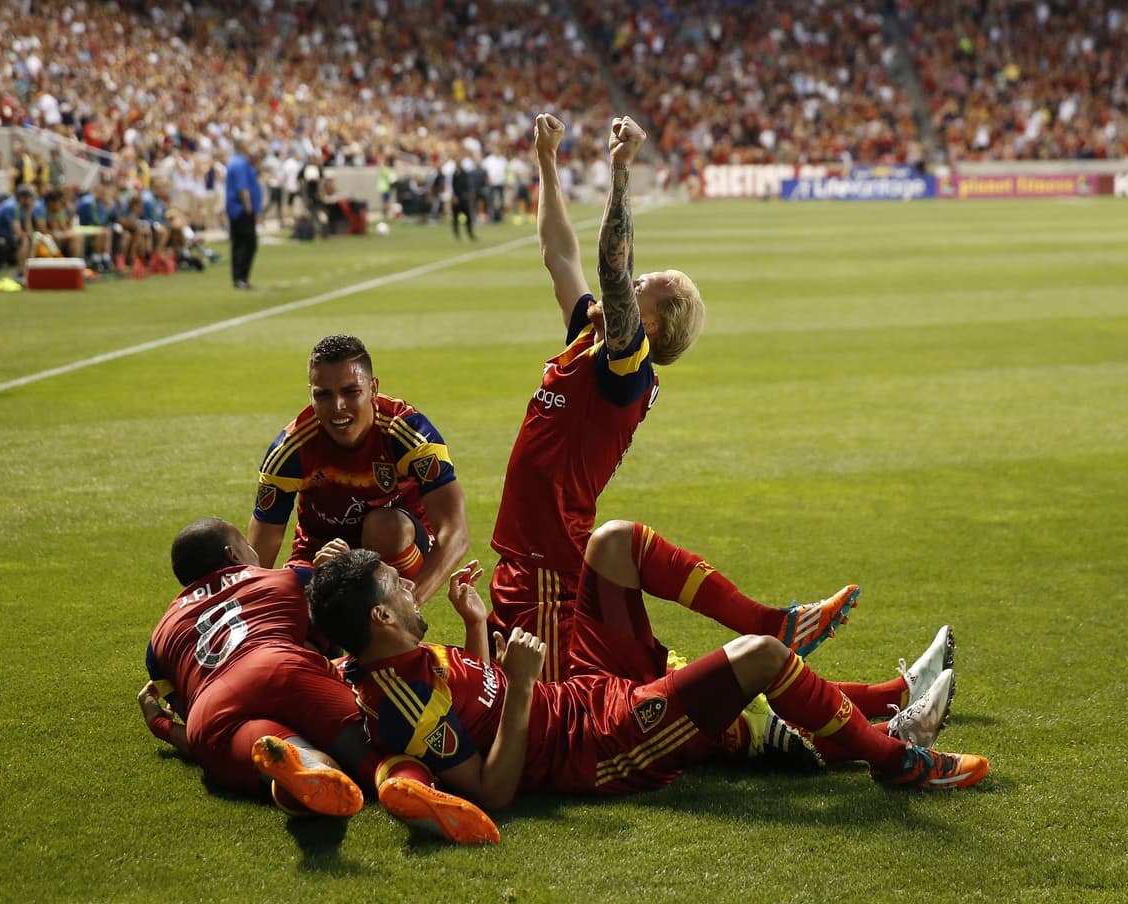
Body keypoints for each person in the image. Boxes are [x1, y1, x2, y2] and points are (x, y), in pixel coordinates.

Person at [307, 519, 988, 815]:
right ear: (381, 621)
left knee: (612, 545)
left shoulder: (396, 656)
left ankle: (803, 641)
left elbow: (475, 699)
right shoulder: (399, 703)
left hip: (579, 691)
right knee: (759, 663)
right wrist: (520, 688)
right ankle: (892, 756)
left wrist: (477, 626)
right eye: (400, 589)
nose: (410, 588)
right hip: (602, 746)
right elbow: (491, 790)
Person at [487, 113, 712, 680]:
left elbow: (613, 270)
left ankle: (805, 715)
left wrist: (619, 171)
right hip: (530, 557)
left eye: (645, 291)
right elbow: (558, 255)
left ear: (652, 328)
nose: (634, 287)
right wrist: (546, 159)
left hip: (550, 564)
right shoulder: (594, 344)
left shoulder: (626, 364)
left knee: (594, 704)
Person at [140, 517, 373, 816]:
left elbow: (191, 726)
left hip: (211, 711)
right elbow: (371, 631)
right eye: (248, 546)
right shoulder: (291, 578)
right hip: (280, 669)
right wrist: (346, 568)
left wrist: (163, 726)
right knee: (377, 755)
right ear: (232, 555)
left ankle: (308, 765)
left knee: (275, 750)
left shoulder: (157, 643)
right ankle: (392, 774)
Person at [247, 334, 469, 608]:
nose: (337, 406)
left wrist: (413, 599)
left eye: (350, 391)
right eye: (323, 394)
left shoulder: (407, 433)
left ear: (373, 388)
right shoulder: (291, 451)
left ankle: (383, 614)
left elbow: (455, 531)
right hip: (323, 554)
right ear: (310, 394)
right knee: (297, 622)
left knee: (386, 527)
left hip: (394, 550)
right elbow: (259, 557)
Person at [225, 138, 262, 289]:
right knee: (247, 243)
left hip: (238, 208)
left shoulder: (239, 162)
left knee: (242, 243)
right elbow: (242, 187)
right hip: (240, 209)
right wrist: (248, 207)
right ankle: (240, 277)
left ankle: (240, 278)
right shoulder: (239, 163)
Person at [0, 183, 36, 280]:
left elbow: (29, 230)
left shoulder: (21, 207)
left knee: (31, 239)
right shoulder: (12, 207)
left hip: (3, 236)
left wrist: (29, 212)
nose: (32, 201)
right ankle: (21, 274)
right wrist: (28, 235)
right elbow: (18, 233)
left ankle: (28, 272)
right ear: (22, 198)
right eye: (30, 198)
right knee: (24, 240)